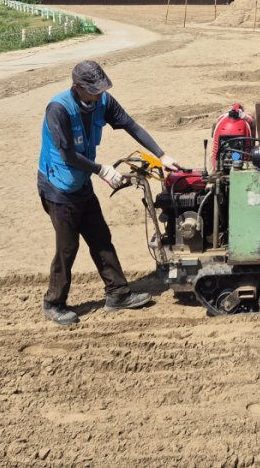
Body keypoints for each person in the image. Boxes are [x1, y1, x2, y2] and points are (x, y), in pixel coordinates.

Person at [38, 60, 181, 326]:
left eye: (102, 88)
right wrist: (101, 170)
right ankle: (54, 302)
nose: (100, 93)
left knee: (100, 237)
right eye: (94, 89)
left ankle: (117, 293)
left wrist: (161, 156)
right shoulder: (58, 109)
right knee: (67, 247)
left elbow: (130, 125)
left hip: (81, 182)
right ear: (78, 87)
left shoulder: (102, 102)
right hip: (59, 186)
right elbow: (67, 154)